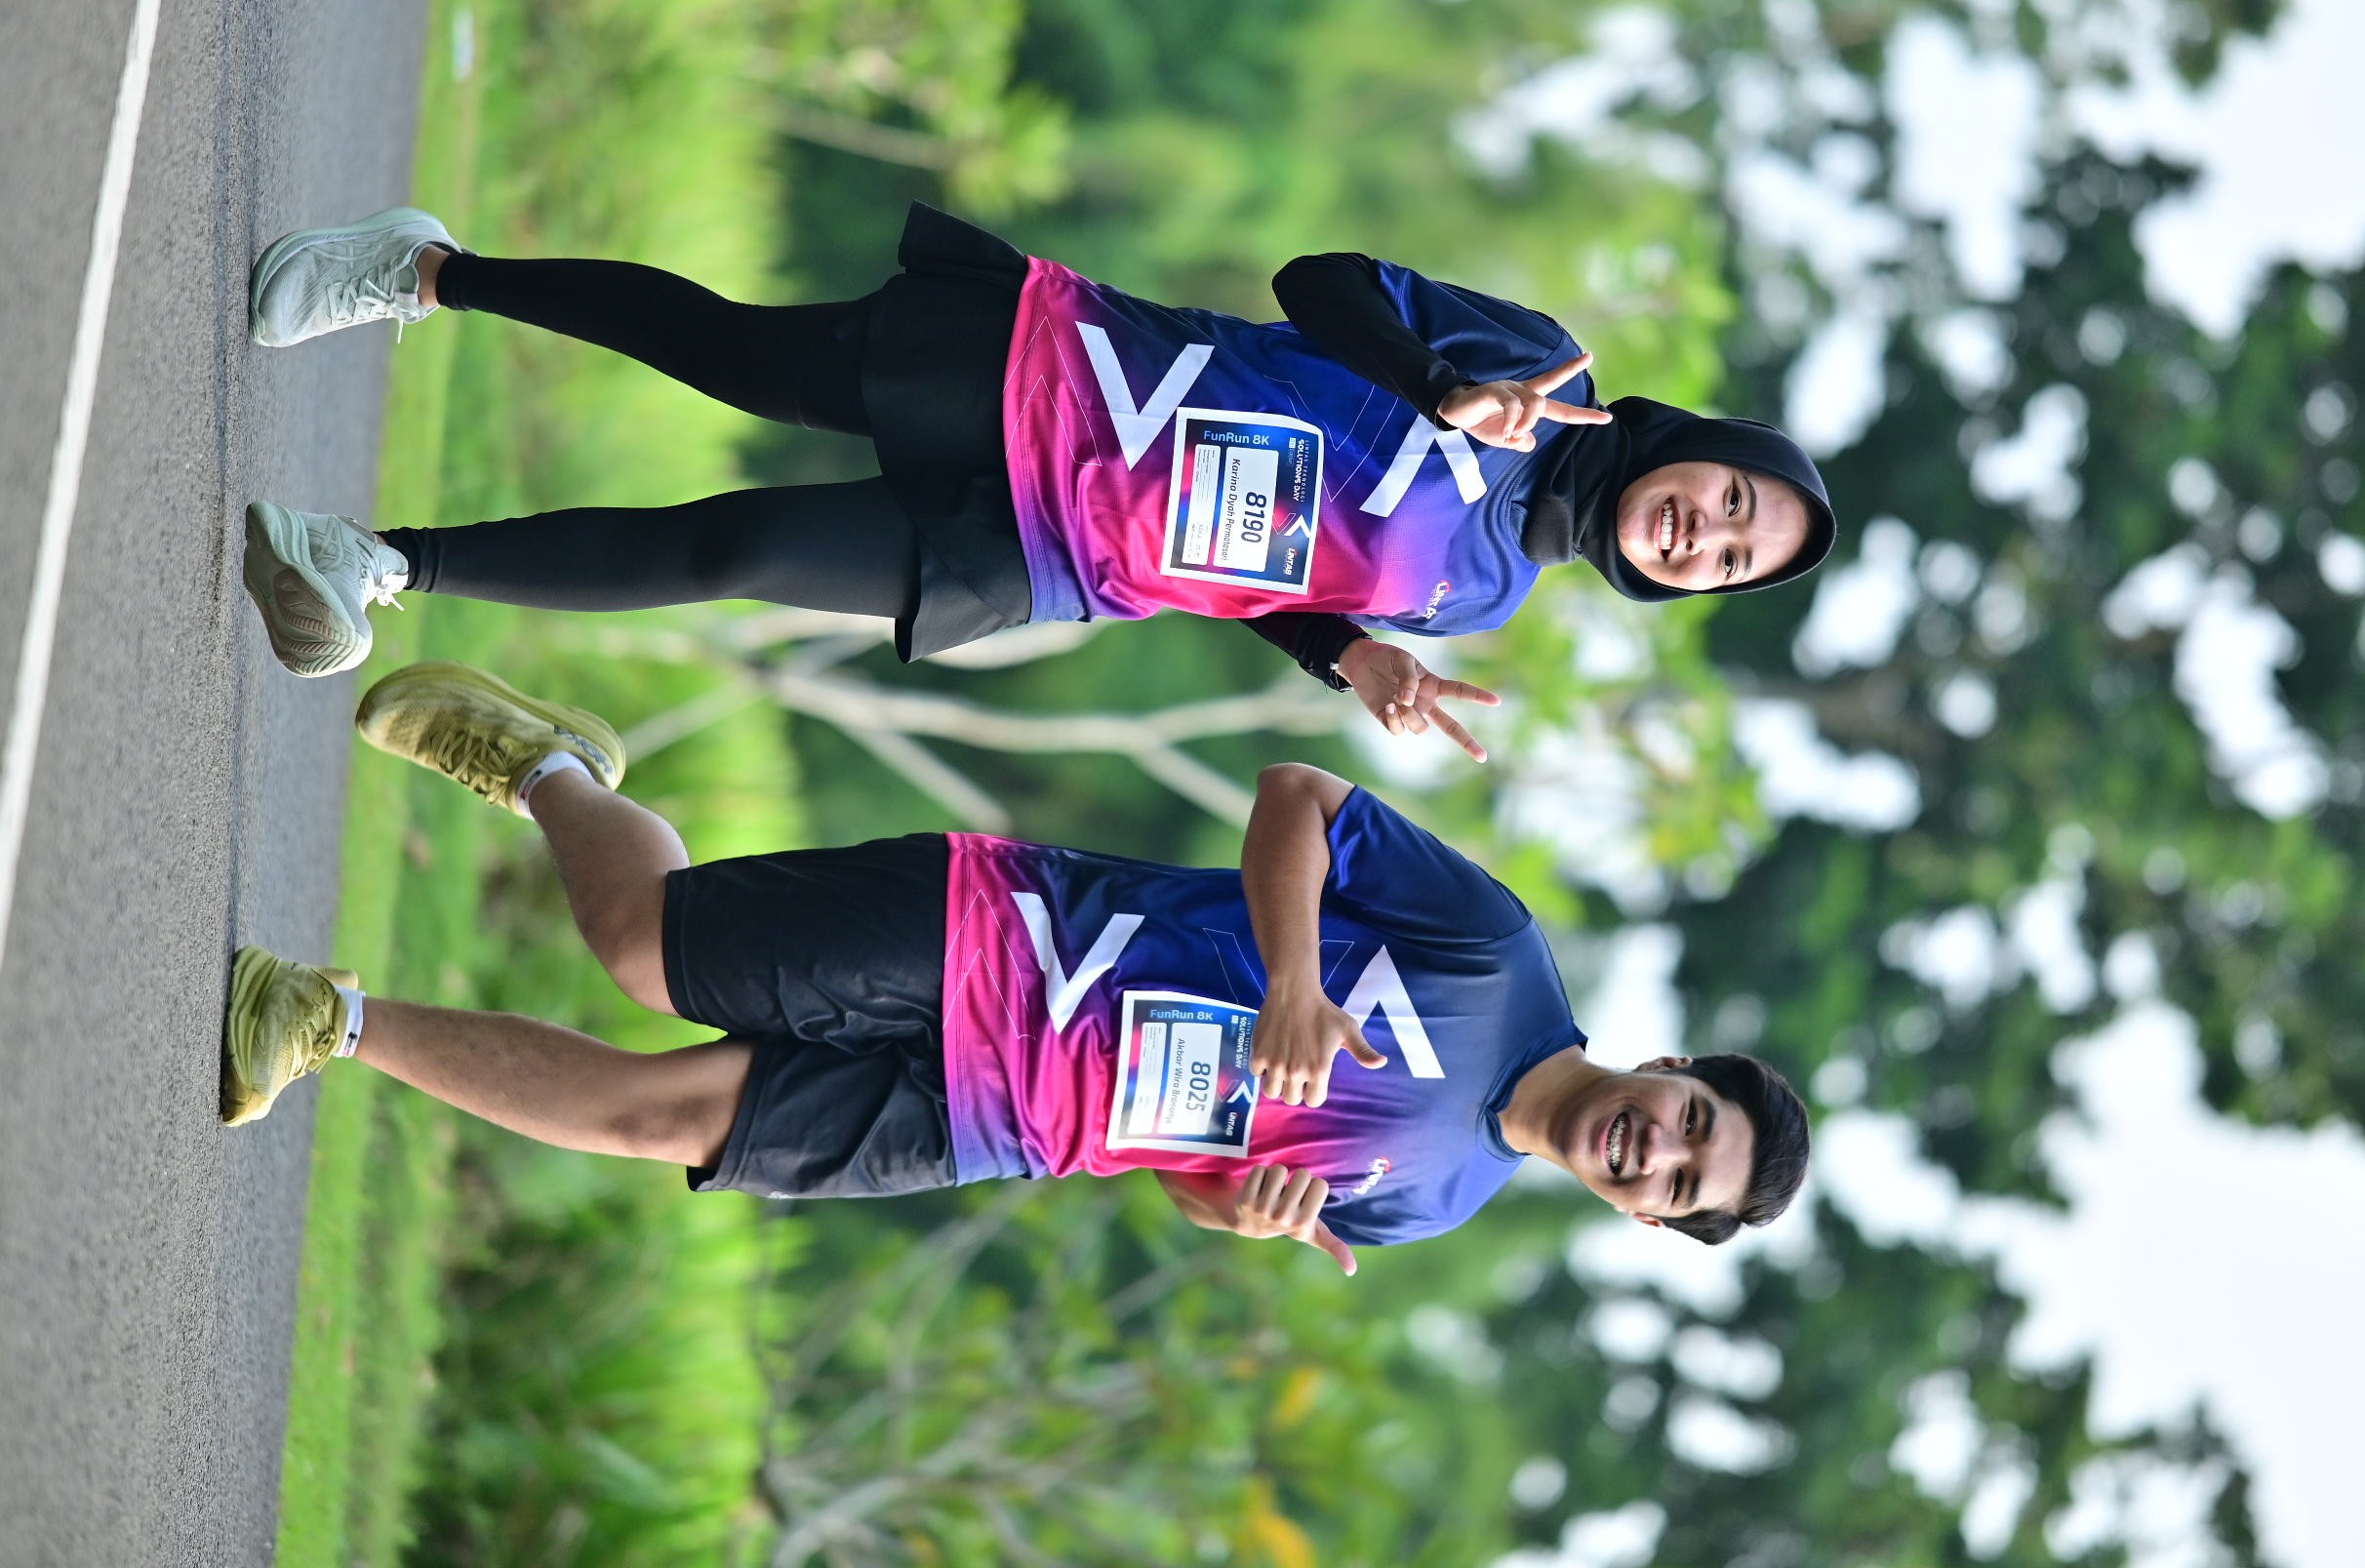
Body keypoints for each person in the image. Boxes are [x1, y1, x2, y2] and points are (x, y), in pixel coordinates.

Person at [221, 663, 1810, 1267]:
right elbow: (1297, 800)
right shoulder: (1500, 956)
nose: (1657, 1150)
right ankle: (554, 768)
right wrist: (1291, 981)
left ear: (1645, 1216)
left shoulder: (1432, 1204)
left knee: (656, 1120)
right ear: (1676, 1069)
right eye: (1692, 1122)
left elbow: (1191, 1177)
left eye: (1680, 1184)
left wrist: (1241, 1213)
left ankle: (323, 1018)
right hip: (1010, 937)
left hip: (1007, 1123)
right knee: (647, 949)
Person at [235, 205, 1836, 761]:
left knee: (735, 549)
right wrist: (1439, 387)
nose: (1703, 535)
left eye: (1725, 561)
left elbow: (1267, 585)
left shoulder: (1481, 595)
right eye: (1732, 504)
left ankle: (374, 564)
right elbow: (1316, 283)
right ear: (1712, 448)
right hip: (1048, 371)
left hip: (1055, 556)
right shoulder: (1542, 369)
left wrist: (1351, 655)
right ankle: (426, 272)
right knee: (734, 358)